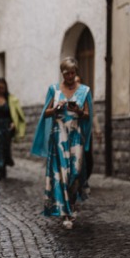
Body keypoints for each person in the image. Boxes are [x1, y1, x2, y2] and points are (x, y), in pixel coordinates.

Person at [30, 57, 93, 230]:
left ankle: (71, 202)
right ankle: (66, 211)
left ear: (76, 72)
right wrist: (57, 107)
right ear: (62, 73)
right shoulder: (54, 89)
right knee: (62, 174)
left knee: (76, 171)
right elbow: (46, 113)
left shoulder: (85, 90)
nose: (70, 76)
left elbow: (88, 115)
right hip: (58, 136)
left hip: (75, 134)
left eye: (73, 73)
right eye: (67, 73)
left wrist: (78, 111)